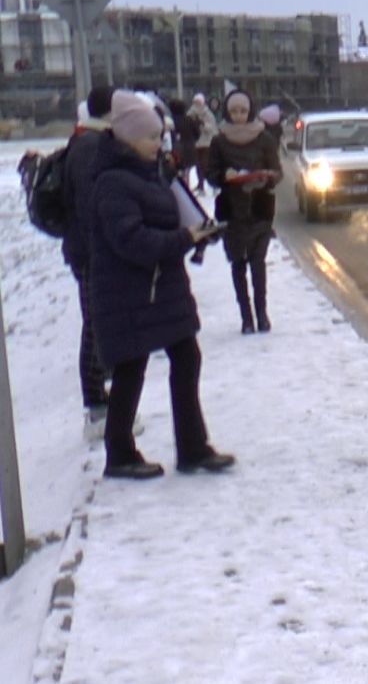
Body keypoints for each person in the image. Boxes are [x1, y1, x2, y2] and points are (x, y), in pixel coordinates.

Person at [90, 90, 234, 479]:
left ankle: (192, 448)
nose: (160, 143)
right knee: (130, 368)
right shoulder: (113, 183)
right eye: (151, 137)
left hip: (160, 288)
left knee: (186, 357)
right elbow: (132, 242)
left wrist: (198, 230)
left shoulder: (149, 172)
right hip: (129, 293)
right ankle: (119, 454)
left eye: (159, 136)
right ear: (127, 138)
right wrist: (185, 238)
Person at [206, 90, 283, 334]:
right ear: (227, 113)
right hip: (232, 210)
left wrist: (266, 178)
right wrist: (223, 176)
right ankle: (246, 317)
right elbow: (210, 174)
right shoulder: (219, 141)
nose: (239, 116)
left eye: (243, 111)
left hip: (260, 209)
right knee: (238, 264)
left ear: (250, 111)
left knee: (258, 264)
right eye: (234, 112)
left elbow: (277, 171)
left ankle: (262, 314)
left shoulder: (264, 138)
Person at [62, 85, 114, 439]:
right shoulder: (90, 148)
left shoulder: (85, 142)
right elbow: (88, 207)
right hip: (91, 253)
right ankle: (96, 410)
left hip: (85, 250)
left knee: (96, 324)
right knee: (95, 326)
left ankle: (99, 401)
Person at [187, 93, 218, 194]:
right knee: (198, 165)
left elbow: (213, 129)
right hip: (195, 143)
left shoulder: (208, 114)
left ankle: (212, 185)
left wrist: (202, 124)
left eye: (199, 102)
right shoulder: (190, 114)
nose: (197, 104)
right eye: (195, 102)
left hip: (206, 143)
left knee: (205, 165)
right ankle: (200, 185)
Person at [167, 98, 202, 188]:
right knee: (186, 170)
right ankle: (186, 187)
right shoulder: (189, 120)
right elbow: (197, 133)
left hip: (175, 149)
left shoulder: (170, 121)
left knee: (176, 170)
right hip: (189, 148)